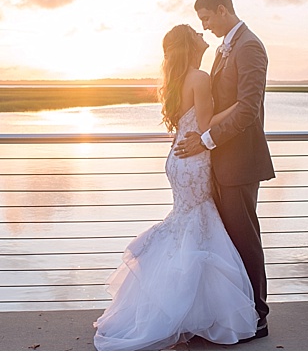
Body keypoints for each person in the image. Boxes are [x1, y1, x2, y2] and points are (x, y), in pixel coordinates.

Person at [93, 24, 258, 351]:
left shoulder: (178, 80)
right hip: (194, 160)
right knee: (195, 225)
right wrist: (239, 106)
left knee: (186, 223)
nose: (202, 35)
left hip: (178, 160)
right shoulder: (199, 77)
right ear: (189, 44)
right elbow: (207, 124)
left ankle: (184, 307)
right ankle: (190, 310)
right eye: (196, 33)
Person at [174, 0, 275, 340]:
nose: (204, 26)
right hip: (219, 161)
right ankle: (232, 311)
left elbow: (248, 108)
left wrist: (204, 141)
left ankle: (258, 316)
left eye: (205, 18)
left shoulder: (249, 46)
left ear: (221, 10)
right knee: (228, 240)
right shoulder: (224, 48)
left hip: (241, 161)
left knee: (245, 238)